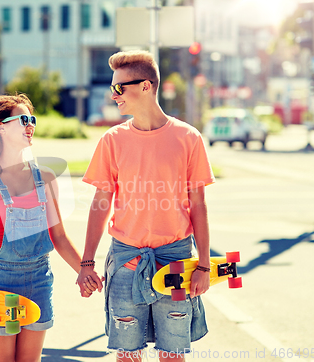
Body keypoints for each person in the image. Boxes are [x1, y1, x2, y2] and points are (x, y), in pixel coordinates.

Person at [76, 50, 216, 362]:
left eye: (119, 88)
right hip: (126, 260)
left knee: (172, 355)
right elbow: (101, 204)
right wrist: (87, 262)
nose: (113, 96)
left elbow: (199, 206)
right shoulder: (111, 141)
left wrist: (204, 264)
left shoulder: (188, 138)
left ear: (145, 86)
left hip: (176, 261)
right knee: (127, 356)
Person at [0, 94, 94, 362]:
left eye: (32, 120)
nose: (30, 126)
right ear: (0, 127)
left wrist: (85, 269)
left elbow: (58, 236)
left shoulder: (46, 178)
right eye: (23, 119)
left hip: (39, 281)